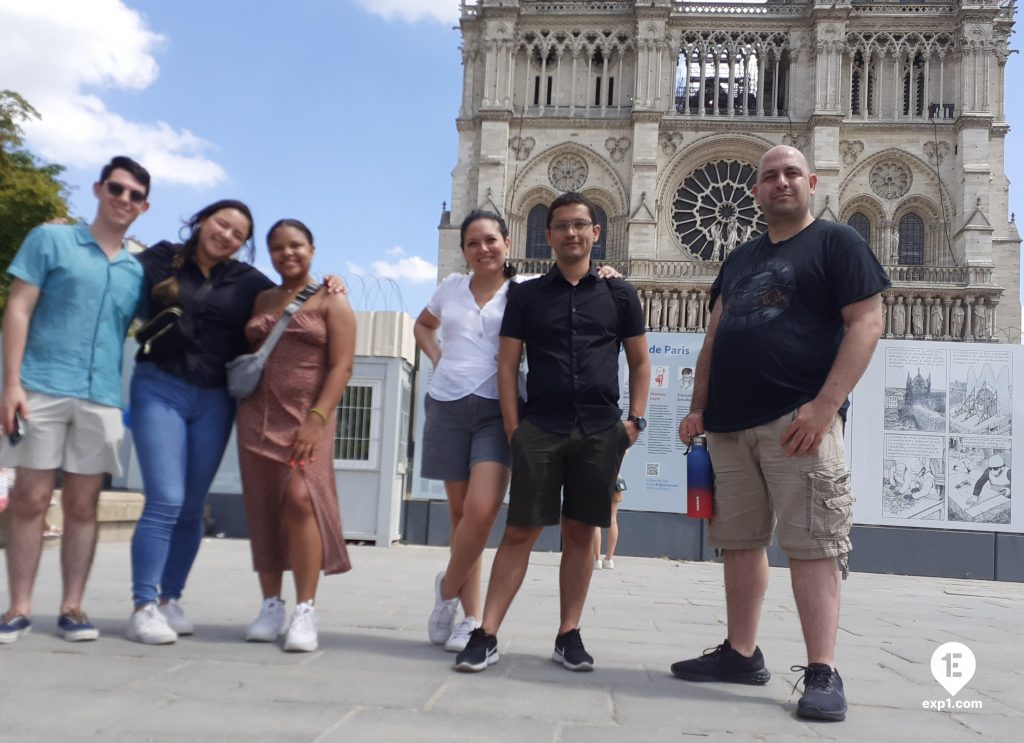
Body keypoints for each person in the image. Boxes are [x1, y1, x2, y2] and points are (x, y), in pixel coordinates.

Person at [673, 145, 889, 723]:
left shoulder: (837, 242)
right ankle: (741, 654)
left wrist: (825, 405)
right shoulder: (739, 259)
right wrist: (698, 409)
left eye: (792, 173)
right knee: (738, 540)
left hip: (797, 422)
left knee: (814, 541)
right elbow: (715, 338)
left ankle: (822, 669)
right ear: (756, 192)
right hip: (729, 424)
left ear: (812, 182)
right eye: (770, 176)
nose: (781, 183)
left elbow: (867, 321)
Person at [125, 201, 343, 645]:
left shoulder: (250, 283)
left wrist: (333, 282)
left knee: (198, 505)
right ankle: (145, 604)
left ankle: (172, 599)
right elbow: (115, 274)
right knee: (168, 498)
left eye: (237, 233)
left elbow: (302, 302)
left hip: (221, 402)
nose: (226, 235)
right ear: (202, 220)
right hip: (168, 388)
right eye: (221, 224)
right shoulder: (163, 259)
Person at [454, 191, 650, 673]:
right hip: (541, 427)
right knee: (521, 529)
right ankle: (487, 632)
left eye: (580, 225)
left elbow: (641, 360)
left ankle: (569, 633)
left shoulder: (619, 293)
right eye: (561, 225)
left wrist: (635, 422)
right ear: (548, 235)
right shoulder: (527, 294)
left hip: (601, 429)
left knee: (582, 532)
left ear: (596, 232)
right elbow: (507, 364)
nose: (571, 233)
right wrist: (513, 427)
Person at [419, 210, 620, 652]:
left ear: (508, 244)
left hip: (495, 407)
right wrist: (438, 358)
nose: (483, 249)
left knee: (482, 510)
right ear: (463, 249)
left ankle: (447, 588)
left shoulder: (525, 291)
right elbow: (423, 325)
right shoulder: (450, 287)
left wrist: (606, 273)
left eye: (491, 240)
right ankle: (470, 618)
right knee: (460, 517)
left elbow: (574, 283)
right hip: (448, 403)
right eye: (473, 242)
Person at [0, 156, 150, 644]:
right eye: (116, 188)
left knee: (85, 506)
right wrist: (11, 384)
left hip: (101, 397)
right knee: (30, 499)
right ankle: (18, 608)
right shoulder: (52, 239)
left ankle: (72, 608)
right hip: (40, 385)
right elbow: (19, 307)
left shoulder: (137, 268)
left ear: (144, 206)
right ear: (99, 189)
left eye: (133, 195)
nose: (123, 199)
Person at [237, 219, 355, 652]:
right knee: (265, 504)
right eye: (278, 248)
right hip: (256, 415)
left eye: (296, 246)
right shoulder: (260, 297)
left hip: (309, 417)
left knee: (300, 499)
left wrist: (318, 417)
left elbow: (342, 365)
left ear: (312, 248)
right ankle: (271, 603)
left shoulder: (332, 297)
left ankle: (305, 609)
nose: (287, 254)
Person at [593, 474, 625, 570]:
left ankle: (597, 560)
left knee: (595, 521)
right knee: (613, 520)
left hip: (597, 478)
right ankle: (609, 559)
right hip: (615, 478)